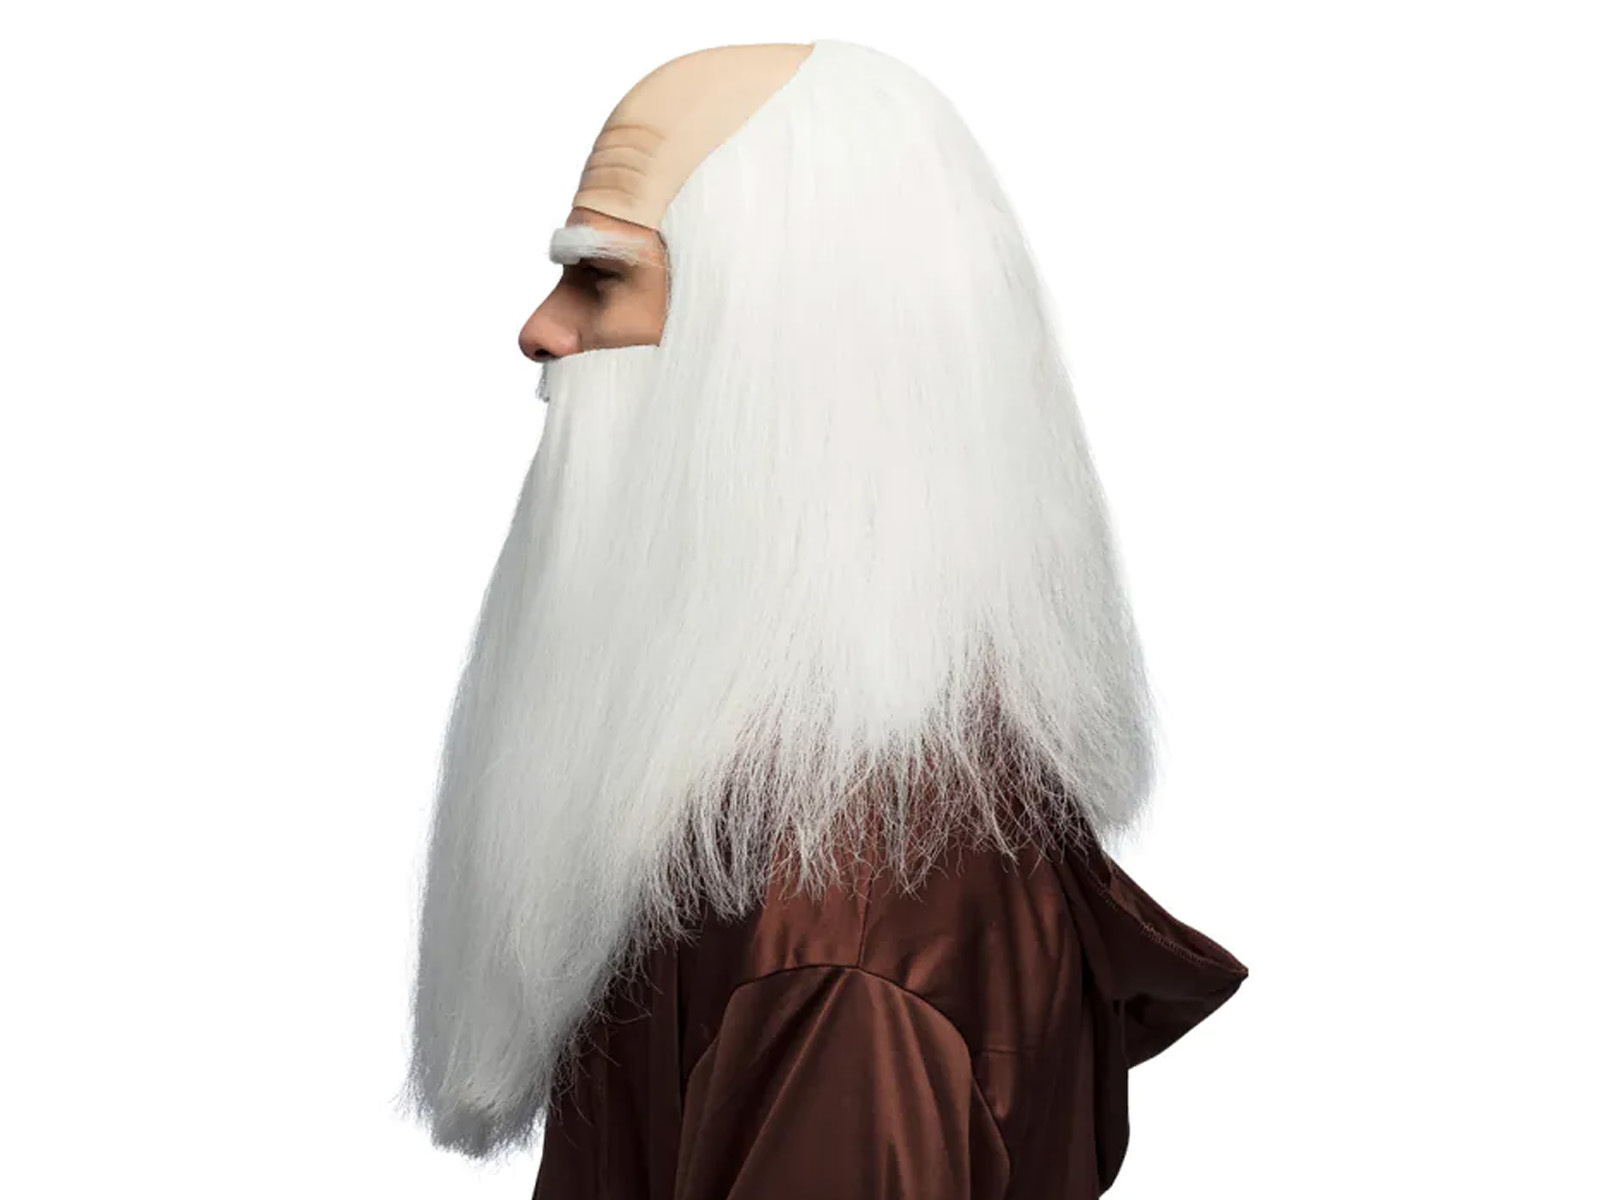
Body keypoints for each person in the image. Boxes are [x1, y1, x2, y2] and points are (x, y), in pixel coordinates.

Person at [408, 39, 1248, 1198]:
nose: (543, 330)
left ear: (781, 350)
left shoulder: (833, 956)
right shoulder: (754, 837)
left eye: (599, 280)